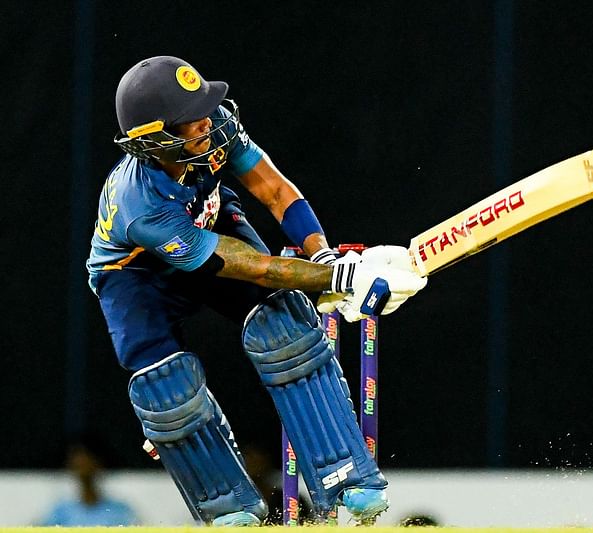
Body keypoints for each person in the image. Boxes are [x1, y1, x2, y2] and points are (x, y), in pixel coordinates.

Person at [86, 56, 426, 527]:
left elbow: (274, 190)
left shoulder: (213, 131)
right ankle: (229, 512)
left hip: (205, 218)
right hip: (135, 277)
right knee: (169, 393)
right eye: (192, 119)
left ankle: (348, 484)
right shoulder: (140, 204)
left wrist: (324, 258)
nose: (208, 121)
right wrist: (342, 279)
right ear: (154, 139)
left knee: (284, 326)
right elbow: (260, 268)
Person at [39, 438, 139, 526]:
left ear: (98, 464)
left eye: (86, 463)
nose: (83, 467)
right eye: (78, 465)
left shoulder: (119, 510)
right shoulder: (61, 511)